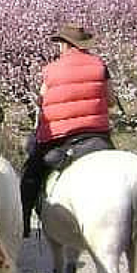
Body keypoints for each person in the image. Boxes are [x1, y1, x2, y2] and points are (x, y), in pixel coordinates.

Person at [19, 23, 114, 237]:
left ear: (65, 45)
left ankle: (24, 219)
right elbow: (111, 100)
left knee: (31, 171)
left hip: (59, 138)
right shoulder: (100, 65)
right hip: (96, 135)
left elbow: (41, 101)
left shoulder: (51, 70)